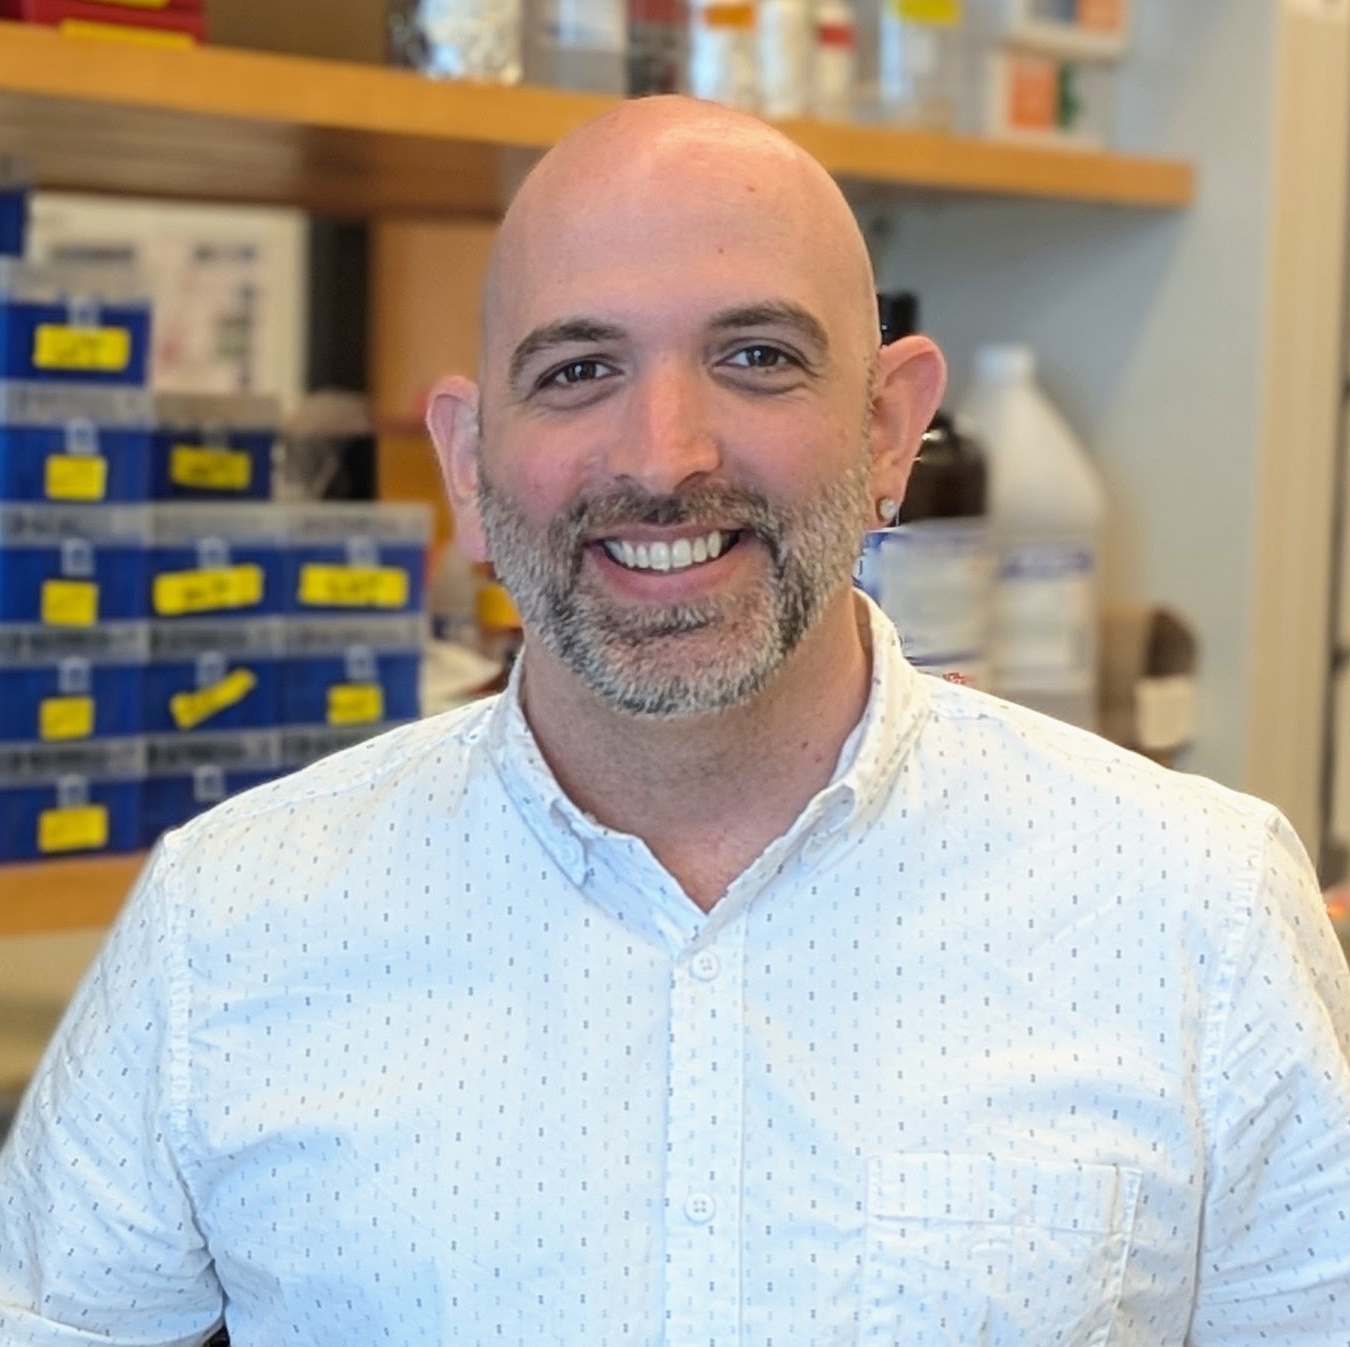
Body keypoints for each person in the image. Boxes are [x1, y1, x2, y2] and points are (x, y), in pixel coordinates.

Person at [2, 95, 1349, 1347]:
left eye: (755, 357)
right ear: (470, 465)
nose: (662, 457)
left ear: (887, 432)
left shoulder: (1196, 911)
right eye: (578, 369)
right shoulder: (227, 923)